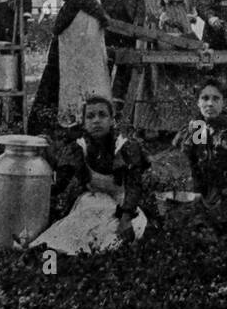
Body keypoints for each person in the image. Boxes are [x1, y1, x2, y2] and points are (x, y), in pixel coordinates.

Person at [33, 95, 149, 255]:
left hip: (120, 207)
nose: (96, 121)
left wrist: (126, 220)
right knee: (68, 235)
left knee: (117, 237)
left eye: (102, 115)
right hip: (91, 204)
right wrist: (47, 162)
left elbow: (134, 186)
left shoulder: (126, 148)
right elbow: (59, 185)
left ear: (112, 120)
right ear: (84, 123)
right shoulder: (79, 148)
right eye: (90, 116)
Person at [31, 0, 110, 133]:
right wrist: (102, 15)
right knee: (75, 70)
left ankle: (86, 116)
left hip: (89, 20)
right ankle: (72, 117)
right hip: (78, 19)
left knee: (89, 69)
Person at [130, 0, 199, 134]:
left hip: (182, 24)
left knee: (185, 76)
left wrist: (185, 21)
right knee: (158, 77)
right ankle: (155, 128)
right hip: (162, 28)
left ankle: (188, 130)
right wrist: (169, 23)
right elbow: (152, 6)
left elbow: (186, 0)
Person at [173, 80, 227, 203]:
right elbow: (194, 164)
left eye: (216, 99)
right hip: (204, 192)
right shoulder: (198, 127)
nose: (210, 104)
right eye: (205, 98)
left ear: (223, 102)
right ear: (198, 102)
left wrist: (225, 193)